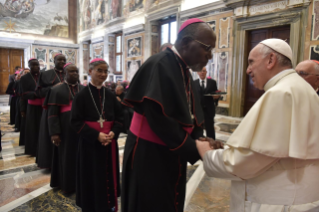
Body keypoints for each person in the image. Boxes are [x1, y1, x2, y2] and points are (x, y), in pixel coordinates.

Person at [197, 38, 319, 212]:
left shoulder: (281, 93)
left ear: (271, 60)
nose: (248, 70)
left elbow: (244, 163)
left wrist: (208, 154)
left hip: (276, 203)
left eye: (251, 62)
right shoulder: (300, 87)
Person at [121, 18, 216, 212]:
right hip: (149, 154)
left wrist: (200, 138)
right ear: (184, 43)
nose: (210, 55)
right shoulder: (160, 64)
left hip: (171, 150)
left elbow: (189, 112)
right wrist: (193, 147)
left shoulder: (184, 70)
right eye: (207, 48)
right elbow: (158, 117)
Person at [70, 58, 124, 212]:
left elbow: (120, 119)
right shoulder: (81, 96)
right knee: (91, 176)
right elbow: (75, 122)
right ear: (90, 71)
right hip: (90, 144)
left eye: (106, 71)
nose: (103, 74)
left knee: (109, 175)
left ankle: (109, 205)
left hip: (110, 142)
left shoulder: (110, 95)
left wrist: (114, 132)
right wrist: (96, 135)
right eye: (99, 70)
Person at [46, 63, 84, 193]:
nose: (75, 74)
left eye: (76, 72)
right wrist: (54, 133)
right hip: (65, 129)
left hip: (82, 128)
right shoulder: (56, 90)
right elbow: (52, 114)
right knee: (67, 156)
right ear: (65, 74)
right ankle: (67, 185)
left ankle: (82, 183)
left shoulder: (84, 89)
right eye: (72, 72)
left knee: (82, 155)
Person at [36, 54, 66, 168]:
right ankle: (49, 163)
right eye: (59, 60)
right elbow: (39, 92)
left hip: (65, 111)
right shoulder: (45, 74)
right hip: (51, 110)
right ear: (54, 61)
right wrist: (54, 88)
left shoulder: (68, 74)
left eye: (64, 60)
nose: (62, 62)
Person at [19, 59, 42, 156]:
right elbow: (23, 94)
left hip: (43, 106)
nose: (36, 67)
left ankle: (41, 148)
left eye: (37, 65)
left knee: (42, 128)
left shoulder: (43, 76)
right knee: (32, 129)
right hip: (31, 106)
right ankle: (32, 149)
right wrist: (36, 94)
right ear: (29, 66)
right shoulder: (24, 78)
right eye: (33, 65)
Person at [194, 67, 219, 139]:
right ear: (197, 73)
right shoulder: (194, 83)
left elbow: (215, 94)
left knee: (210, 128)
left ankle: (212, 143)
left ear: (206, 72)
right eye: (200, 71)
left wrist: (216, 98)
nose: (202, 72)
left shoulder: (212, 82)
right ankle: (200, 143)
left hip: (209, 110)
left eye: (204, 71)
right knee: (199, 129)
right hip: (198, 110)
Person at [18, 68, 30, 146]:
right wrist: (22, 109)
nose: (26, 74)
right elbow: (21, 96)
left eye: (27, 72)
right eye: (25, 72)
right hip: (25, 103)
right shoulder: (21, 81)